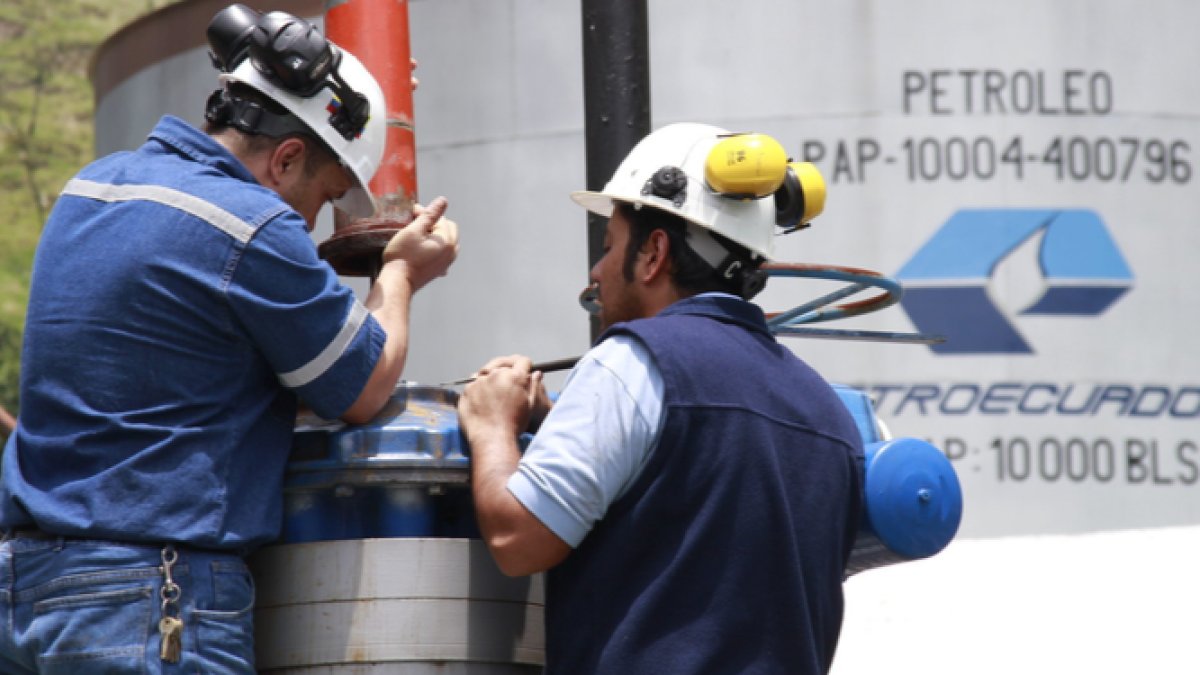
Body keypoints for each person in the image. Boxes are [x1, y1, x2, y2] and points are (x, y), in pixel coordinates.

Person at [0, 5, 457, 673]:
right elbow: (364, 385)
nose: (311, 221)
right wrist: (400, 273)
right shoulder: (251, 227)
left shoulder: (91, 189)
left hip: (27, 594)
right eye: (324, 195)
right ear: (288, 157)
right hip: (148, 603)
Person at [457, 123, 863, 674]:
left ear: (653, 253)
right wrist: (563, 423)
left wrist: (491, 428)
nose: (597, 272)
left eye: (609, 247)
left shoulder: (632, 361)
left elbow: (516, 538)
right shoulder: (829, 415)